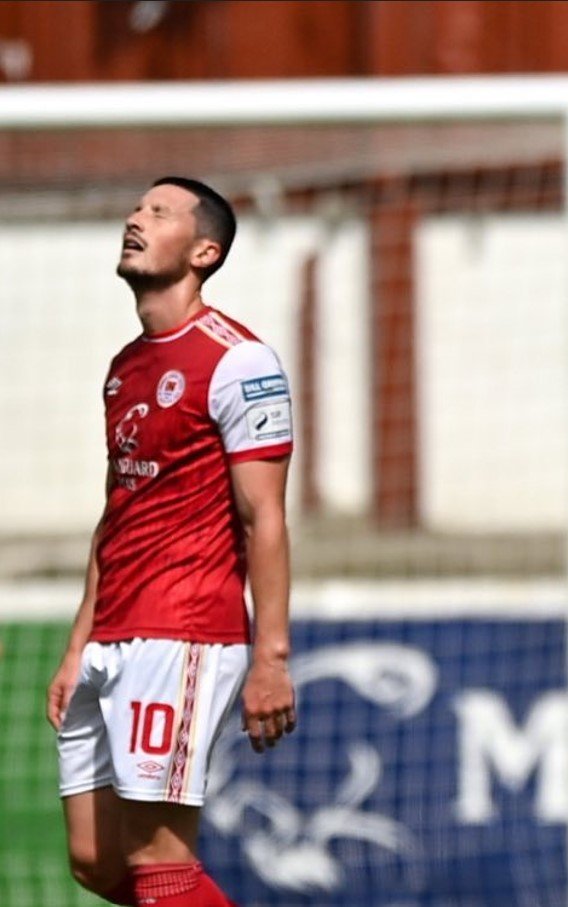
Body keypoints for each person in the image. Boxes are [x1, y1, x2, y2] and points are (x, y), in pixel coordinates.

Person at [45, 177, 296, 906]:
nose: (135, 218)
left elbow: (265, 519)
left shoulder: (240, 361)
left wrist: (271, 658)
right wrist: (76, 644)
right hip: (112, 632)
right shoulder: (126, 367)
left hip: (181, 630)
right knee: (95, 859)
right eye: (135, 208)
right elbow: (116, 512)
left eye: (158, 212)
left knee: (161, 859)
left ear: (204, 250)